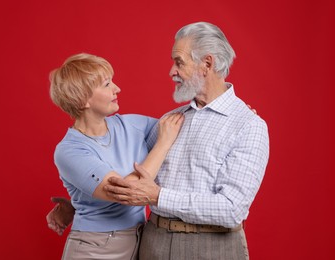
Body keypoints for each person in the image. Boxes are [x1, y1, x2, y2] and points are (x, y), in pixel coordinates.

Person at [103, 21, 270, 259]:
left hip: (213, 248)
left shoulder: (248, 125)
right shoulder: (170, 121)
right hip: (154, 241)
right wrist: (77, 205)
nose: (172, 71)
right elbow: (123, 172)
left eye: (179, 62)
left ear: (207, 64)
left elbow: (232, 209)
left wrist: (158, 196)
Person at [48, 53, 184, 259]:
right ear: (83, 98)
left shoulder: (131, 125)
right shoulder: (69, 151)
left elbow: (182, 126)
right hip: (94, 249)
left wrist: (237, 118)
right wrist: (163, 143)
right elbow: (126, 193)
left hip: (140, 241)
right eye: (107, 84)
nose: (117, 88)